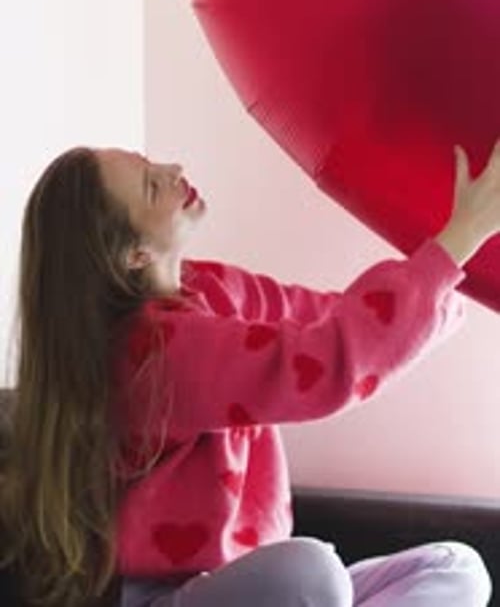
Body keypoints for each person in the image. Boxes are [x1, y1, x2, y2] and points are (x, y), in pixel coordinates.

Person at [0, 141, 498, 607]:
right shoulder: (152, 352)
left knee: (458, 568)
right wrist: (457, 242)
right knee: (311, 572)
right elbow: (324, 362)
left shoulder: (208, 289)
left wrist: (442, 260)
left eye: (155, 166)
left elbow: (329, 320)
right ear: (134, 256)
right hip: (170, 596)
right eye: (153, 185)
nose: (174, 172)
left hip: (245, 584)